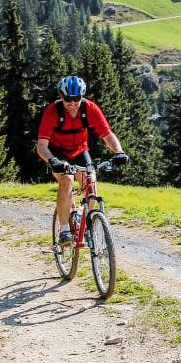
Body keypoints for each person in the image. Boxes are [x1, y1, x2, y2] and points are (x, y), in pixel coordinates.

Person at [36, 75, 128, 246]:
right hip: (57, 153)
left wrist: (119, 152)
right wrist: (53, 160)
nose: (72, 103)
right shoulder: (52, 112)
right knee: (66, 180)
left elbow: (107, 134)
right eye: (68, 99)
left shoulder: (89, 108)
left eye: (76, 98)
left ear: (82, 96)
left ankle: (86, 220)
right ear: (61, 97)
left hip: (79, 150)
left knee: (90, 181)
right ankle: (64, 230)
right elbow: (41, 146)